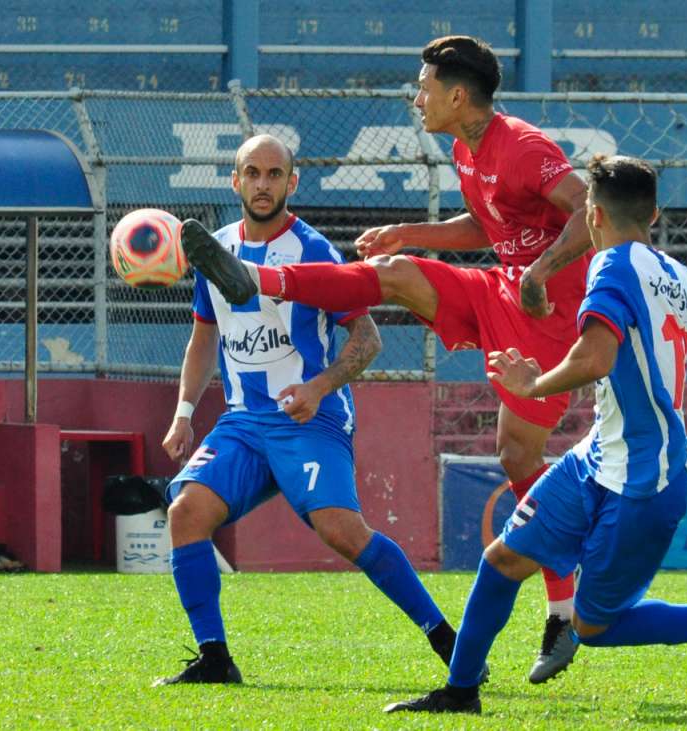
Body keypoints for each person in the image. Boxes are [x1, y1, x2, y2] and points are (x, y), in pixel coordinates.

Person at [181, 35, 597, 683]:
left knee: (516, 455)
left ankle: (563, 609)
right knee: (395, 269)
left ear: (457, 95)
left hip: (547, 309)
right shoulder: (466, 147)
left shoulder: (522, 145)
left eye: (424, 86)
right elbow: (489, 226)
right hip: (502, 290)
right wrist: (412, 232)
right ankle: (264, 280)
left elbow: (590, 210)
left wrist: (541, 271)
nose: (416, 97)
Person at [382, 154, 687, 714]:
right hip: (598, 456)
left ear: (593, 214)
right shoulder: (682, 279)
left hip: (645, 478)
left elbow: (595, 357)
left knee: (595, 625)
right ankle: (460, 690)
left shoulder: (610, 267)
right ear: (654, 215)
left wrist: (532, 385)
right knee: (502, 559)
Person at [153, 134, 460, 686]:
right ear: (236, 180)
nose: (263, 183)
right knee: (186, 513)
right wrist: (183, 411)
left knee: (342, 531)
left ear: (292, 183)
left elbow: (366, 340)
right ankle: (215, 659)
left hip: (310, 418)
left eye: (275, 174)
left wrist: (319, 387)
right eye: (253, 173)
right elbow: (203, 339)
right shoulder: (213, 248)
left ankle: (449, 643)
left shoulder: (315, 251)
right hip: (245, 422)